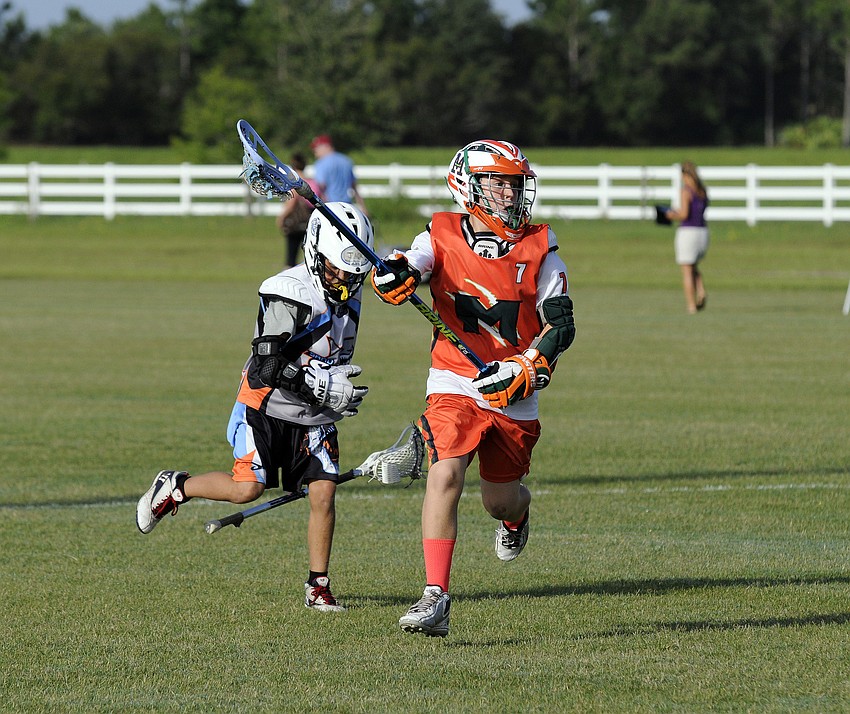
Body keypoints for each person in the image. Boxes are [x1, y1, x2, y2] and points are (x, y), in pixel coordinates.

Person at [371, 140, 576, 637]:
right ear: (469, 184)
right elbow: (410, 264)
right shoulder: (440, 232)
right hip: (453, 379)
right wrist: (394, 277)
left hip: (512, 388)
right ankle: (435, 597)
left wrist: (528, 365)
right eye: (497, 182)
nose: (509, 193)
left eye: (514, 183)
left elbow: (561, 325)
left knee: (498, 499)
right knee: (445, 475)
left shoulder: (541, 248)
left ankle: (516, 517)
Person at [136, 202, 374, 613]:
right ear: (316, 253)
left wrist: (334, 389)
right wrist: (313, 381)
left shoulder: (350, 297)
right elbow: (266, 364)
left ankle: (318, 585)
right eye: (337, 270)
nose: (344, 280)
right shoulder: (290, 292)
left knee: (324, 494)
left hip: (312, 416)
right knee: (247, 489)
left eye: (353, 274)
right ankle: (176, 485)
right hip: (265, 405)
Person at [665, 161, 709, 314]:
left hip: (688, 232)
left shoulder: (686, 191)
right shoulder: (702, 190)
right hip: (702, 232)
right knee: (694, 266)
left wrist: (669, 215)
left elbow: (684, 214)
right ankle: (701, 290)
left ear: (685, 175)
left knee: (686, 270)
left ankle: (691, 305)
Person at [275, 152, 319, 267]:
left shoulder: (294, 182)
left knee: (292, 254)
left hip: (296, 221)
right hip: (312, 220)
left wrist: (282, 217)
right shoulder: (313, 182)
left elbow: (292, 202)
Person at [310, 134, 368, 215]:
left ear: (326, 146)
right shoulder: (346, 161)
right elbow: (354, 187)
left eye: (316, 149)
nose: (315, 152)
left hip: (330, 206)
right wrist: (363, 207)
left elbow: (320, 187)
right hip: (347, 206)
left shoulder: (321, 163)